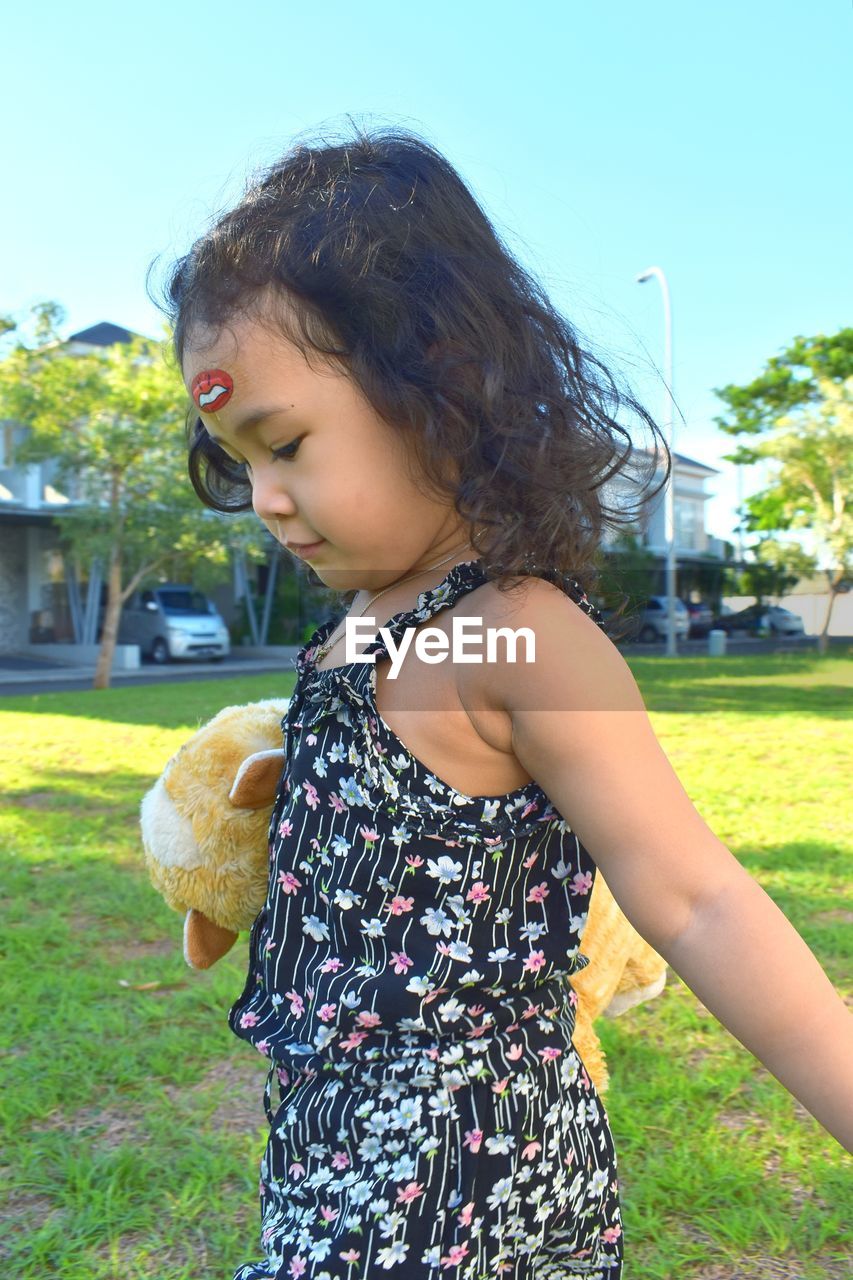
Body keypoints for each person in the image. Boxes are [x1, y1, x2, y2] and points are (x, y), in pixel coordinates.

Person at [157, 124, 852, 1280]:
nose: (267, 499)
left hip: (468, 1183)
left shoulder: (516, 630)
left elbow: (698, 898)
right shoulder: (354, 627)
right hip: (331, 1150)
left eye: (285, 443)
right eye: (239, 460)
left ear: (438, 381)